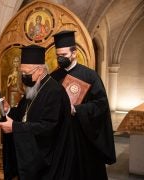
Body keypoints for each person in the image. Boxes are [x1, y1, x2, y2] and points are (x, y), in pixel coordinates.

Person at [0, 45, 76, 180]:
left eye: (26, 73)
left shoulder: (54, 92)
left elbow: (49, 127)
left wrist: (15, 128)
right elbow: (24, 114)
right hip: (32, 156)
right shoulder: (33, 88)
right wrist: (8, 109)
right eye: (21, 73)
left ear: (40, 70)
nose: (23, 77)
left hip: (47, 161)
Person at [50, 30, 116, 179]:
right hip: (61, 135)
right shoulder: (54, 77)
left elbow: (101, 104)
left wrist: (77, 110)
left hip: (83, 135)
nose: (60, 59)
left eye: (64, 56)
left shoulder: (90, 76)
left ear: (74, 53)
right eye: (58, 56)